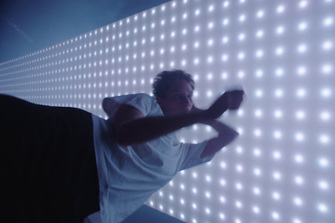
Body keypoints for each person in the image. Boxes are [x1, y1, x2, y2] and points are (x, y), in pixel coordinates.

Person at [0, 69, 244, 223]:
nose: (187, 101)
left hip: (84, 205)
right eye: (179, 96)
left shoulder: (181, 155)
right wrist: (201, 113)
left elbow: (229, 135)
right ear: (161, 99)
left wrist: (203, 115)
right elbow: (125, 133)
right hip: (72, 143)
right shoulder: (148, 104)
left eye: (190, 97)